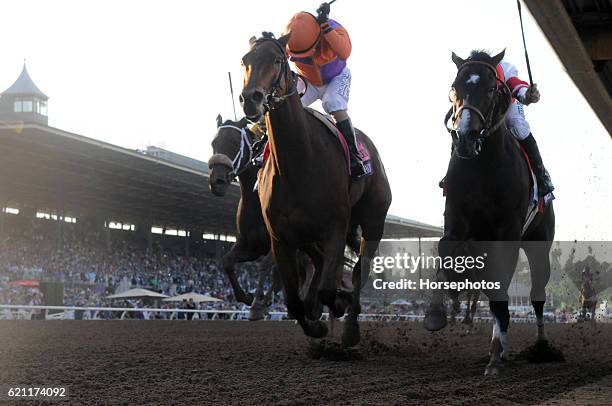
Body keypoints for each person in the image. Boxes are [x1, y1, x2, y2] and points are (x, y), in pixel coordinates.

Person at [284, 3, 366, 178]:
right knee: (286, 105)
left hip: (336, 78)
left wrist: (326, 27)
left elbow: (344, 52)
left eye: (307, 53)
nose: (306, 57)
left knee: (333, 102)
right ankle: (264, 151)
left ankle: (354, 155)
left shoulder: (333, 29)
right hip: (309, 82)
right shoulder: (290, 39)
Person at [496, 60, 554, 198]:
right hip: (484, 109)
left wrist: (527, 95)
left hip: (506, 105)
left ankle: (541, 178)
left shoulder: (503, 68)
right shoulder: (470, 66)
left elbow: (515, 84)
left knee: (517, 125)